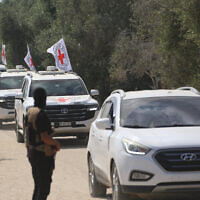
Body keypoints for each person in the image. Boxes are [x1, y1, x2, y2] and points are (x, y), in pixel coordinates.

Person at [25, 87, 60, 200]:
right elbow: (44, 138)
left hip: (33, 153)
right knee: (44, 188)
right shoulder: (41, 115)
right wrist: (56, 144)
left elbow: (30, 134)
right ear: (44, 99)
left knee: (38, 186)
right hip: (42, 156)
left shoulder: (30, 112)